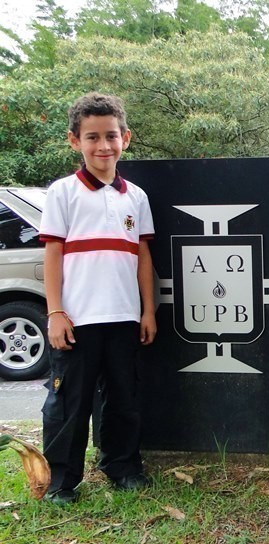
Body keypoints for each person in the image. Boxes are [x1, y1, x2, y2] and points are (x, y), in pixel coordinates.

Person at [40, 93, 157, 505]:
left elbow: (142, 256)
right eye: (92, 137)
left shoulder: (135, 198)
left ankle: (121, 467)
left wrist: (147, 309)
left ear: (126, 138)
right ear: (75, 141)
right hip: (77, 318)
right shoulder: (63, 192)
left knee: (124, 398)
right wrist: (55, 311)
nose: (103, 146)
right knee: (70, 404)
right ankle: (62, 481)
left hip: (124, 317)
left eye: (111, 136)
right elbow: (52, 255)